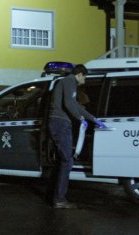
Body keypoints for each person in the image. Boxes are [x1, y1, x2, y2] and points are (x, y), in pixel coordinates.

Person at [48, 64, 105, 209]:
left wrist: (93, 119)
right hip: (60, 123)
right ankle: (59, 199)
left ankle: (55, 196)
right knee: (67, 161)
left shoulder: (67, 83)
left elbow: (75, 105)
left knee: (63, 161)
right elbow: (68, 104)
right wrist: (80, 118)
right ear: (79, 74)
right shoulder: (69, 81)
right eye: (85, 77)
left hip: (59, 123)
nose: (84, 81)